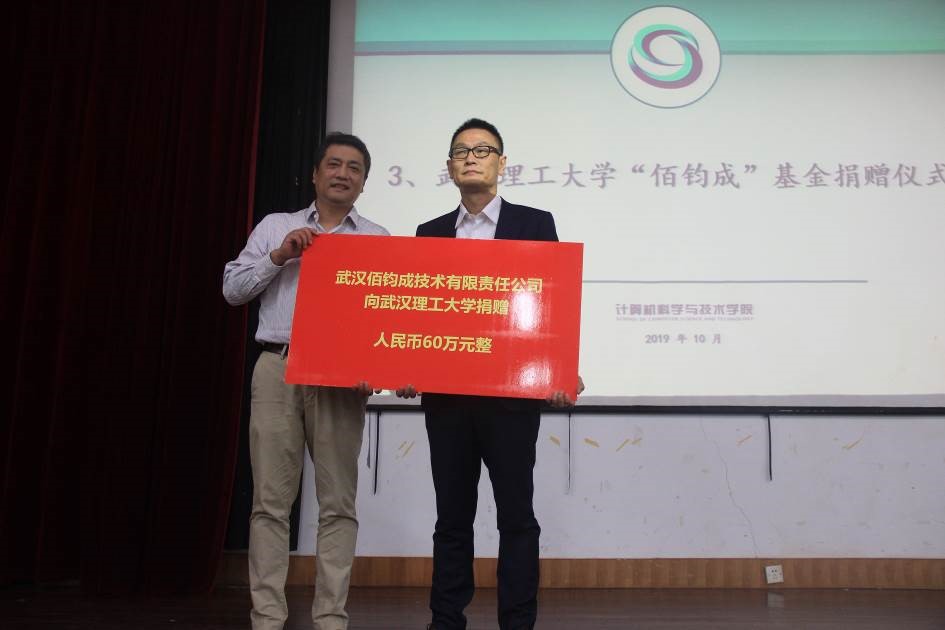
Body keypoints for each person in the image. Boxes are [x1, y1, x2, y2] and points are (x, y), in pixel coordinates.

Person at [398, 118, 584, 630]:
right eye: (462, 151)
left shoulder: (535, 223)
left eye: (483, 150)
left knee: (516, 517)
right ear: (450, 166)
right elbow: (420, 315)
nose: (471, 158)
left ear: (503, 163)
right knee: (451, 518)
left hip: (511, 399)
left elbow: (551, 302)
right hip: (448, 399)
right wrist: (407, 366)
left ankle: (517, 622)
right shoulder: (430, 233)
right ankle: (445, 620)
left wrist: (563, 367)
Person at [223, 132, 388, 630]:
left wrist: (378, 368)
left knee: (338, 504)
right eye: (334, 164)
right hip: (278, 367)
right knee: (270, 503)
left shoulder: (377, 239)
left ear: (364, 182)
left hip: (341, 377)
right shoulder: (276, 226)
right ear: (315, 175)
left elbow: (383, 318)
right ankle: (267, 618)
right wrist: (279, 256)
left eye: (354, 168)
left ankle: (331, 618)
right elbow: (232, 290)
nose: (343, 174)